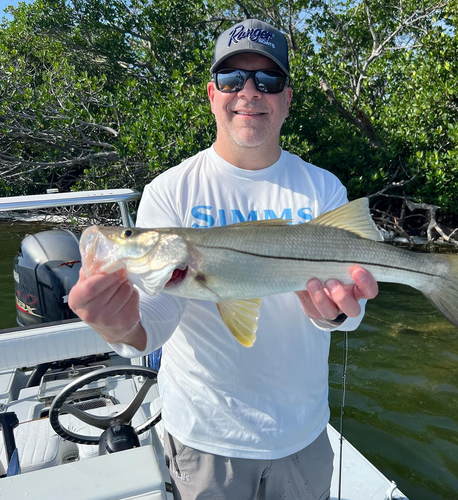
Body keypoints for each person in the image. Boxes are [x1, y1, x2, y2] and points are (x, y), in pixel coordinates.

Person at [69, 18, 378, 500]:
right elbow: (156, 318)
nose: (249, 92)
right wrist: (119, 328)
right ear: (213, 94)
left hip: (302, 434)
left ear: (287, 99)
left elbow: (347, 314)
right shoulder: (169, 191)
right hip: (206, 440)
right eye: (233, 79)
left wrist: (336, 314)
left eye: (268, 80)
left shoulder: (324, 189)